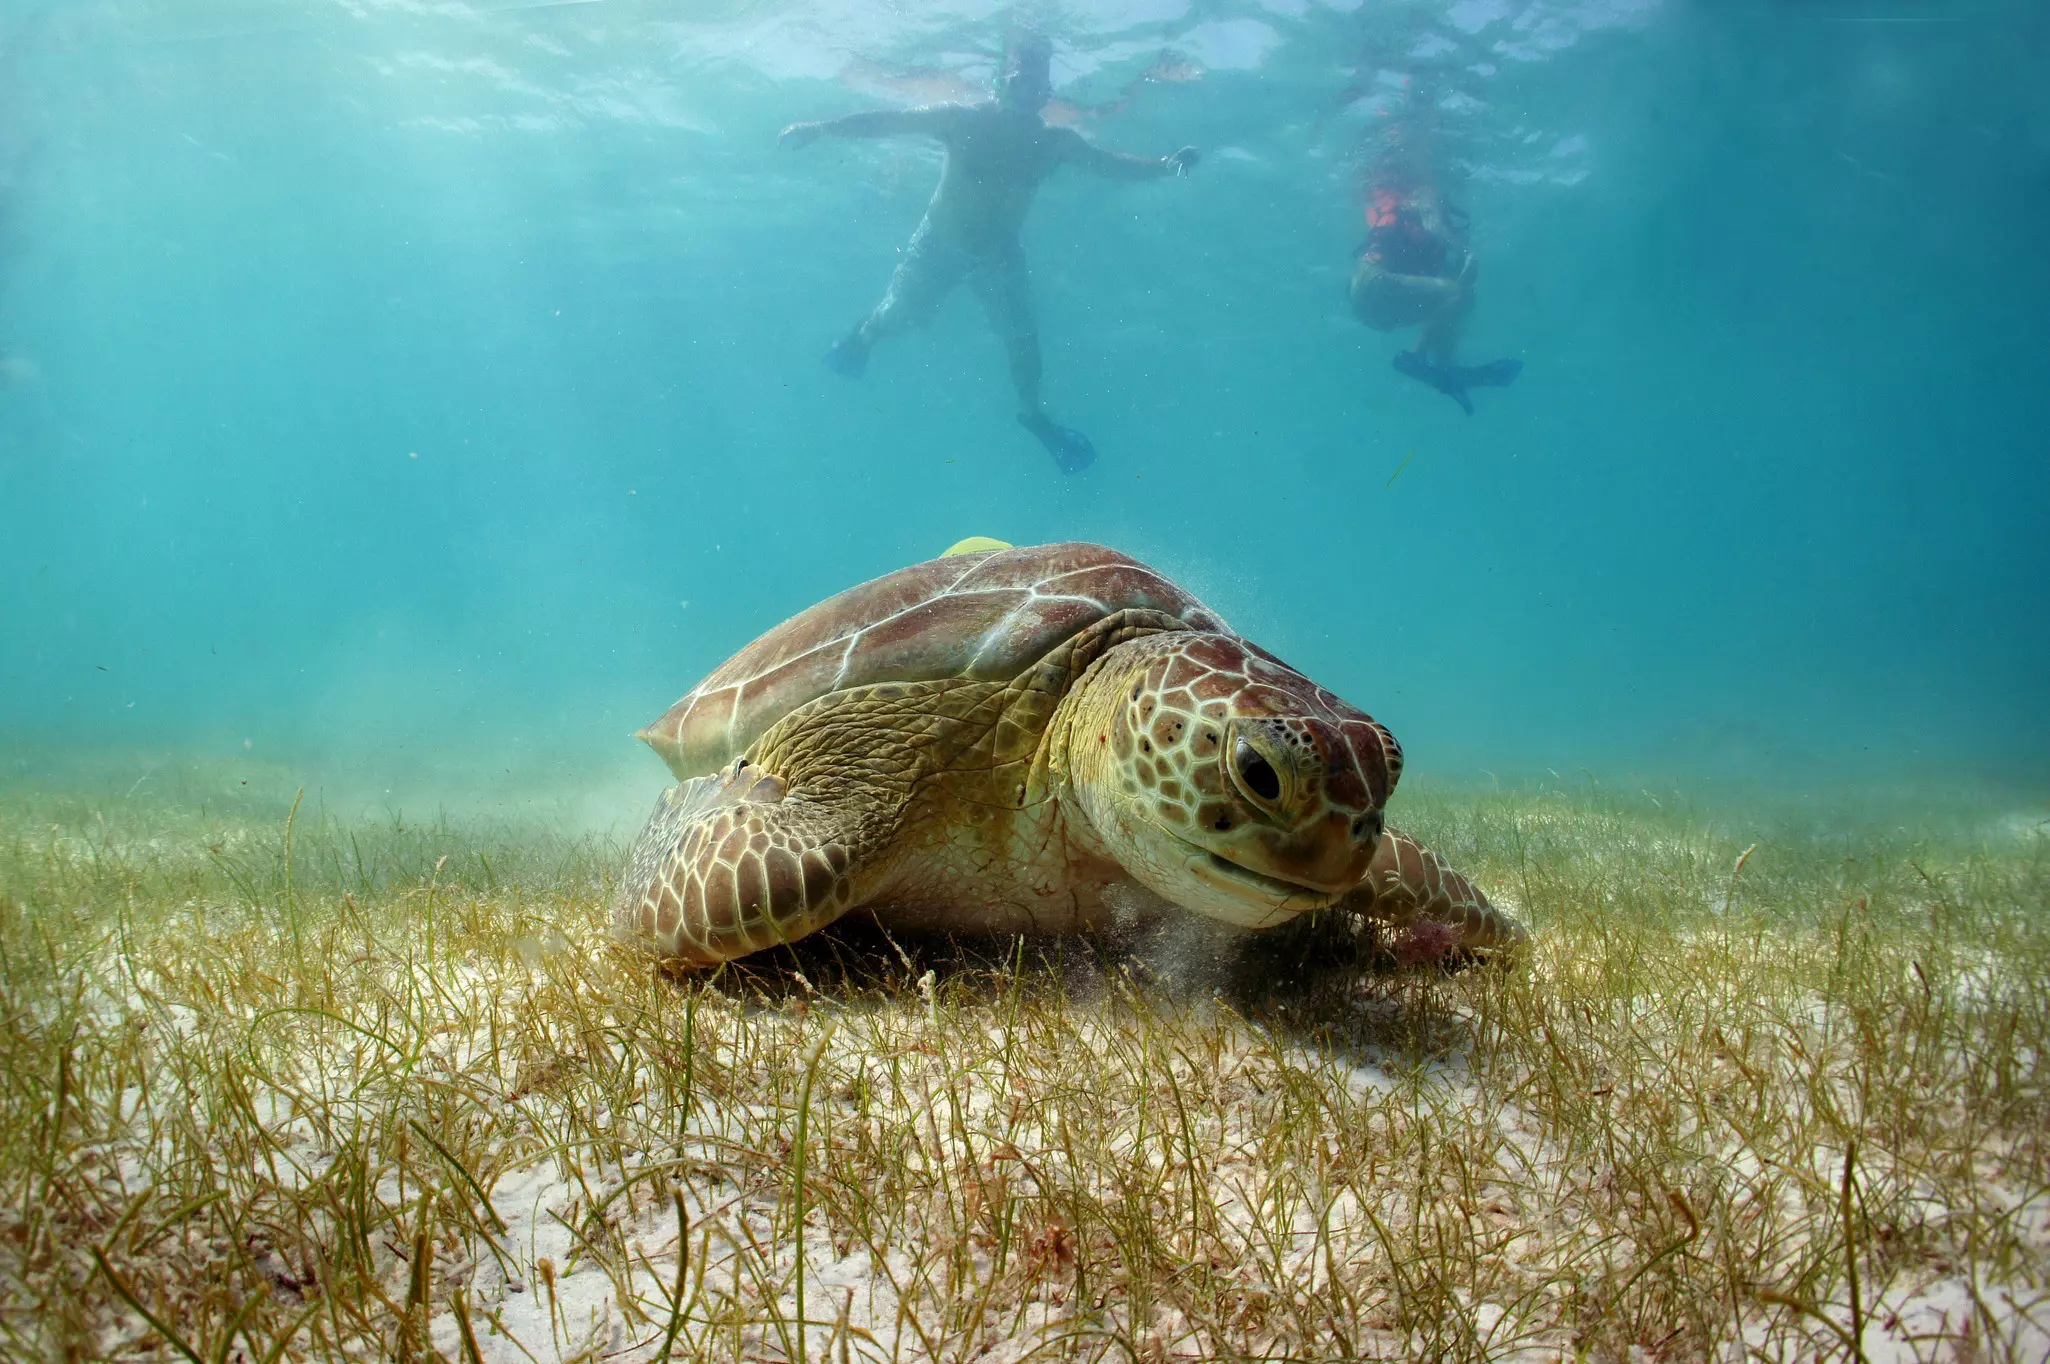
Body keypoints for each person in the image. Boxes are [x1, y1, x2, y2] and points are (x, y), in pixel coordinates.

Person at [780, 33, 1199, 472]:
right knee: (905, 316)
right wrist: (822, 128)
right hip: (938, 246)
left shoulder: (1056, 143)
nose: (1026, 95)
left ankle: (1032, 415)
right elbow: (890, 121)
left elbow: (1111, 164)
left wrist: (1166, 165)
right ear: (997, 84)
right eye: (1018, 83)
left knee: (1024, 342)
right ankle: (864, 336)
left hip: (1000, 257)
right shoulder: (960, 120)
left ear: (1045, 97)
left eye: (1035, 89)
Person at [1346, 101, 1520, 414]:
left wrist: (1464, 273)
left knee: (1458, 297)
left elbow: (1452, 298)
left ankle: (1444, 369)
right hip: (1373, 279)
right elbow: (1433, 223)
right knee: (1454, 294)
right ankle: (1418, 358)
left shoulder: (1407, 203)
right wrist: (1468, 252)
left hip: (1370, 301)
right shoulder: (1424, 187)